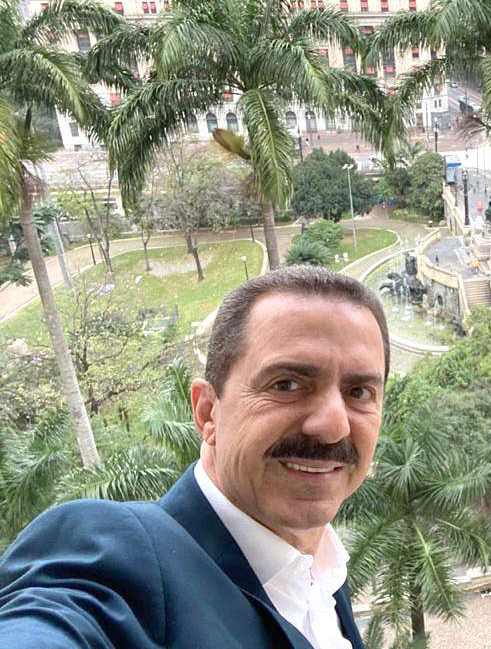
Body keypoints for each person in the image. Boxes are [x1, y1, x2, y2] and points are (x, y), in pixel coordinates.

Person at [0, 267, 389, 649]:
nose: (333, 426)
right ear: (207, 412)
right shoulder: (125, 560)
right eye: (286, 384)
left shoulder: (323, 574)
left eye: (359, 392)